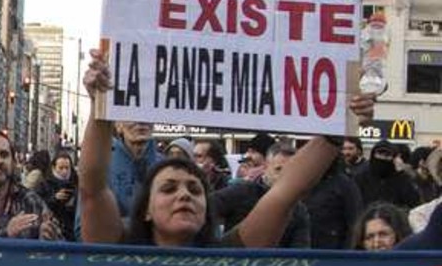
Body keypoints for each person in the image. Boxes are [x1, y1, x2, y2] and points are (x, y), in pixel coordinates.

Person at [79, 50, 373, 247]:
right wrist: (101, 103)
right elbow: (93, 187)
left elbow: (285, 194)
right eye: (169, 188)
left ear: (209, 209)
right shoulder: (114, 248)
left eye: (195, 190)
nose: (184, 195)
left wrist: (341, 123)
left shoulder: (230, 255)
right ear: (144, 211)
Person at [211, 140, 312, 248]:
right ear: (265, 168)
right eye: (279, 169)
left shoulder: (299, 209)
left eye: (291, 171)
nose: (285, 176)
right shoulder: (242, 191)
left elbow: (300, 252)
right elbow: (205, 208)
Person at [358, 139, 420, 209]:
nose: (383, 157)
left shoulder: (402, 180)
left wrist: (401, 173)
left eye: (387, 154)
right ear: (373, 154)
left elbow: (413, 202)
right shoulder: (361, 178)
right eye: (380, 153)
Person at [37, 150, 78, 238]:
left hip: (71, 231)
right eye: (61, 168)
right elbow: (38, 204)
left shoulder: (76, 184)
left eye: (67, 168)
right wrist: (54, 199)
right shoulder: (44, 185)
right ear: (54, 168)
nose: (64, 171)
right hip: (52, 231)